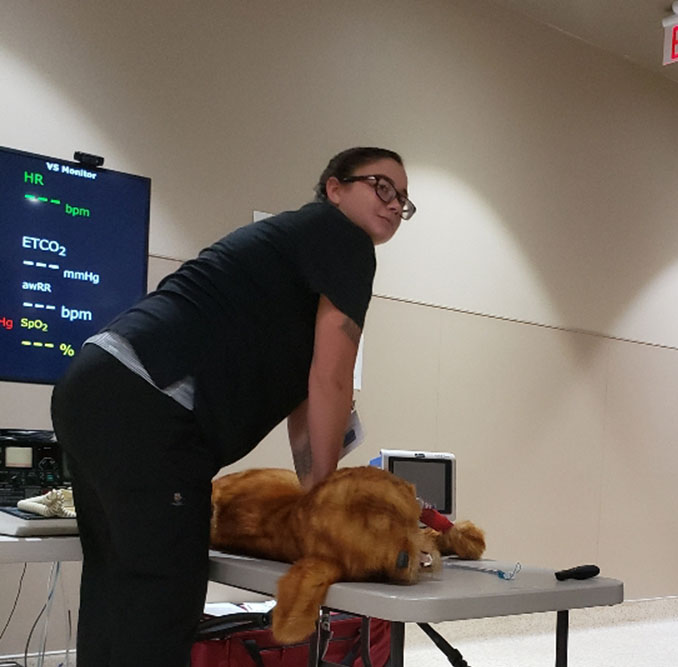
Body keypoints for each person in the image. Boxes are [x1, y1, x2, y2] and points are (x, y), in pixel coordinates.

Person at [50, 146, 416, 667]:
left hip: (94, 386)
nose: (393, 204)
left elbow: (309, 401)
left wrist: (314, 502)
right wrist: (326, 508)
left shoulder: (293, 253)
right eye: (381, 186)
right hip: (148, 401)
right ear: (334, 188)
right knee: (161, 599)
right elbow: (332, 377)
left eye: (402, 199)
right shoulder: (345, 241)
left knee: (117, 585)